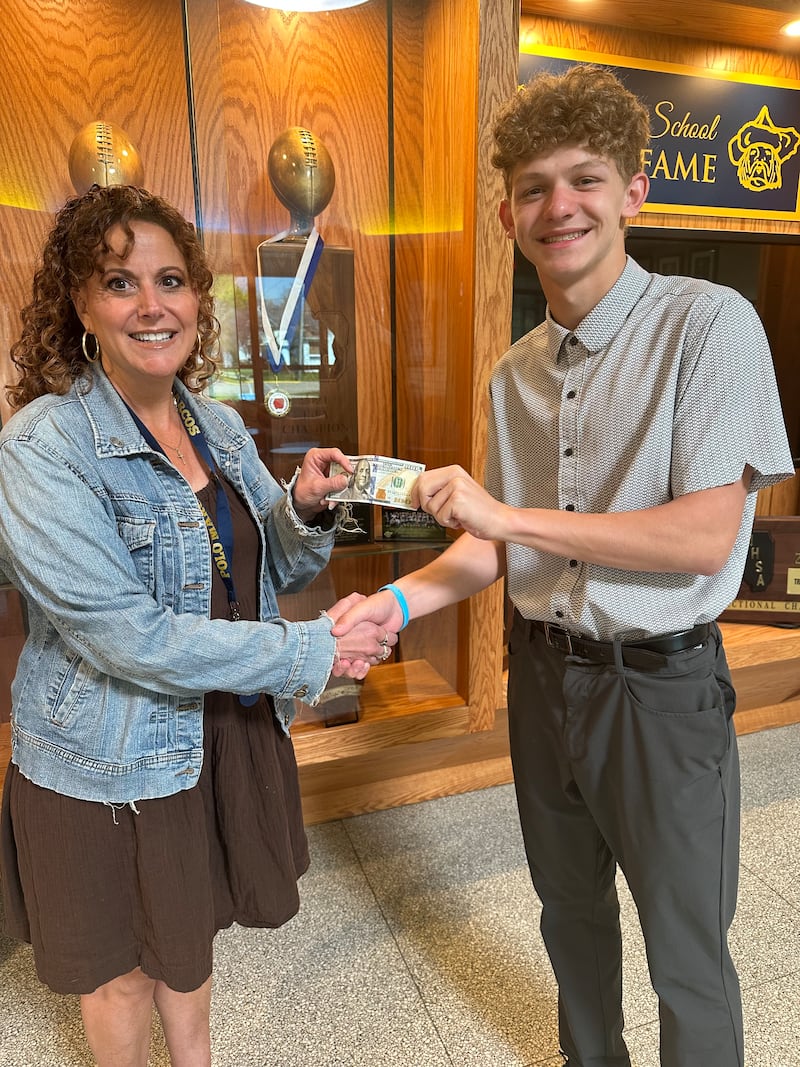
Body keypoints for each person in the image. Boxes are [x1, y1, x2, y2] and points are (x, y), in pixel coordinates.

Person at [333, 64, 795, 1067]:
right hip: (543, 676)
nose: (559, 206)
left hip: (660, 686)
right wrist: (394, 599)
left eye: (583, 179)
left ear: (632, 191)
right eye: (534, 187)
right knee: (568, 920)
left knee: (684, 950)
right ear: (507, 214)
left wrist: (509, 512)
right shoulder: (513, 371)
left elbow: (700, 536)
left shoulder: (707, 326)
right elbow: (497, 544)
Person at [0, 183, 396, 1067]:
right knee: (125, 974)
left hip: (219, 730)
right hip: (110, 761)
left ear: (197, 297)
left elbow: (279, 565)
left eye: (171, 279)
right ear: (82, 306)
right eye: (120, 283)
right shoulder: (41, 446)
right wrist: (313, 648)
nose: (152, 305)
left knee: (189, 940)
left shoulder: (212, 423)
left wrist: (303, 505)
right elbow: (124, 633)